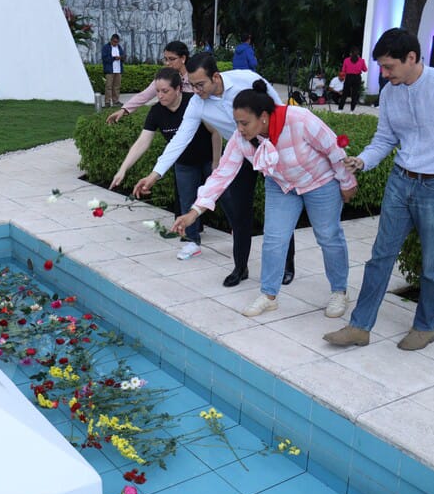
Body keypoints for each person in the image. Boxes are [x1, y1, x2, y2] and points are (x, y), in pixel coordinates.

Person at [323, 28, 434, 351]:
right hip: (400, 182)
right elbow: (385, 138)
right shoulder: (391, 93)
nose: (385, 75)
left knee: (432, 263)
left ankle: (425, 327)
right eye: (382, 68)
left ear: (411, 57)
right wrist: (363, 160)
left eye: (389, 67)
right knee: (380, 257)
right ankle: (360, 326)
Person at [172, 81, 357, 317]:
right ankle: (269, 295)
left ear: (263, 117)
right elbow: (222, 174)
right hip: (281, 185)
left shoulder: (299, 119)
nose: (239, 129)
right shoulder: (241, 138)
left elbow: (333, 150)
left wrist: (347, 182)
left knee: (328, 236)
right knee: (273, 239)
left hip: (320, 182)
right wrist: (194, 212)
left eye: (244, 123)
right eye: (237, 123)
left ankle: (339, 291)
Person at [131, 53, 296, 287]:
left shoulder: (245, 79)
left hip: (272, 150)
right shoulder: (197, 104)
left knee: (281, 209)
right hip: (239, 153)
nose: (196, 91)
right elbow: (180, 139)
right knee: (239, 213)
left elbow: (279, 110)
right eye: (192, 85)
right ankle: (240, 267)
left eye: (200, 85)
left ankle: (287, 265)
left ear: (216, 77)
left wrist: (283, 147)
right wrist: (154, 174)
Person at [110, 68, 221, 260]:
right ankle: (191, 242)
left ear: (178, 89)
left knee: (224, 198)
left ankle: (239, 232)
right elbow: (143, 142)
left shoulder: (193, 103)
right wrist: (123, 169)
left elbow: (215, 132)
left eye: (165, 91)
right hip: (184, 163)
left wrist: (216, 163)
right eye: (157, 91)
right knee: (187, 202)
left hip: (208, 159)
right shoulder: (156, 112)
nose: (160, 96)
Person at [107, 40, 191, 124]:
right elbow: (145, 95)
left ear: (183, 58)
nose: (167, 63)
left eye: (172, 59)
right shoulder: (165, 76)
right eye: (165, 59)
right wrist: (124, 109)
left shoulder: (194, 76)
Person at [338, 47, 367, 112]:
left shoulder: (346, 60)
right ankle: (352, 110)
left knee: (345, 93)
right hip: (357, 77)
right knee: (354, 94)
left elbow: (343, 70)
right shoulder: (361, 60)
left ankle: (340, 109)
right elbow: (365, 69)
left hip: (349, 77)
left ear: (350, 53)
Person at [102, 34, 125, 107]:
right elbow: (104, 58)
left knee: (117, 86)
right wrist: (114, 58)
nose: (116, 43)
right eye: (114, 42)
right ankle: (107, 102)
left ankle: (116, 101)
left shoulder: (119, 47)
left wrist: (121, 57)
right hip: (110, 70)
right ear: (111, 40)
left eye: (117, 42)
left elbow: (123, 56)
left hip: (118, 70)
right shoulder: (106, 47)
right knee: (108, 86)